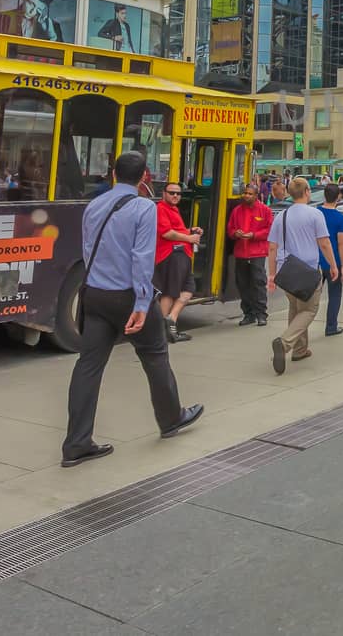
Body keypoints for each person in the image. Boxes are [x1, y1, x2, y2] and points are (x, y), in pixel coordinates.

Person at [62, 152, 202, 467]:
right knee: (155, 355)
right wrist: (141, 303)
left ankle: (76, 443)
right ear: (145, 177)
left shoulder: (94, 205)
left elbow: (87, 250)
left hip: (94, 294)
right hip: (126, 295)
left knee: (88, 366)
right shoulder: (143, 207)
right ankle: (170, 419)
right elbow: (141, 258)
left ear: (113, 173)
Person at [267, 178, 336, 373]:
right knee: (309, 310)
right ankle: (285, 342)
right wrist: (333, 264)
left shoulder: (282, 215)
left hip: (286, 270)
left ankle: (300, 349)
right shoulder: (315, 214)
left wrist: (272, 274)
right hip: (307, 269)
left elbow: (272, 247)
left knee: (296, 307)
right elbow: (324, 243)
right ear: (307, 191)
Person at [152, 181, 201, 343]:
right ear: (164, 194)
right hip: (170, 255)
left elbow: (176, 231)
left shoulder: (173, 209)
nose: (175, 196)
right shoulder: (160, 209)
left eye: (178, 193)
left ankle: (170, 319)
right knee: (169, 292)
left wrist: (190, 231)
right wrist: (189, 237)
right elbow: (166, 233)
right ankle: (158, 332)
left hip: (181, 254)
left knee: (188, 288)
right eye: (171, 192)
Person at [226, 183, 273, 326]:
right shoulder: (237, 211)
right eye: (245, 193)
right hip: (241, 253)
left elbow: (269, 230)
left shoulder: (265, 210)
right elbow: (230, 229)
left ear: (256, 195)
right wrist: (235, 233)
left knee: (258, 283)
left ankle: (261, 314)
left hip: (257, 253)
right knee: (243, 285)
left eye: (250, 194)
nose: (246, 195)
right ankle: (249, 314)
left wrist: (254, 235)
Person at [317, 184, 343, 337]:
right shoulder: (340, 218)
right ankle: (331, 326)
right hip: (334, 261)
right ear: (339, 197)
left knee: (312, 295)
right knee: (334, 295)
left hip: (316, 260)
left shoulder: (316, 213)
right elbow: (342, 243)